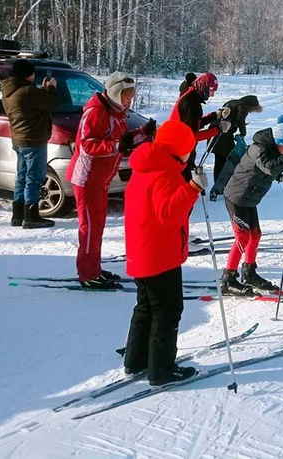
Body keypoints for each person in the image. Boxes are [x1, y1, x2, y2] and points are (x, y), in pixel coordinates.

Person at [123, 120, 203, 386]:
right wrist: (192, 189)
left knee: (146, 307)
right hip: (160, 256)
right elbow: (169, 214)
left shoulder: (147, 167)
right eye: (189, 149)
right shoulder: (164, 174)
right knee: (167, 311)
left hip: (142, 253)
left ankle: (136, 361)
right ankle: (161, 370)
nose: (190, 154)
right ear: (179, 149)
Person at [67, 72, 155, 289]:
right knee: (89, 228)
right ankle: (87, 274)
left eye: (132, 94)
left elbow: (122, 140)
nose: (130, 99)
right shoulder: (95, 111)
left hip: (101, 179)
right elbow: (87, 144)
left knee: (98, 227)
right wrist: (116, 146)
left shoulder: (116, 112)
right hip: (86, 179)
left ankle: (94, 268)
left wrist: (143, 133)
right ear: (116, 92)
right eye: (126, 94)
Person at [221, 115, 283, 294]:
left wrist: (280, 176)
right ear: (278, 141)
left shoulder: (272, 148)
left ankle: (249, 272)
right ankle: (228, 279)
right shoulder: (259, 148)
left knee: (255, 234)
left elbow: (265, 169)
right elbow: (268, 167)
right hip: (237, 197)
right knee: (242, 237)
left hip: (249, 198)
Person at [1, 59, 58, 229]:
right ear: (27, 74)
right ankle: (31, 216)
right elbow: (50, 103)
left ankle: (17, 214)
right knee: (34, 178)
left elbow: (32, 104)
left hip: (19, 139)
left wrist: (41, 90)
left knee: (21, 177)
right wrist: (51, 88)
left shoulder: (10, 90)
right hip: (33, 140)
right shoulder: (27, 91)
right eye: (32, 73)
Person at [170, 72, 222, 179]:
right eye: (211, 91)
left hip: (183, 149)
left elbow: (194, 124)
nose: (212, 95)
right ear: (203, 87)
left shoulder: (193, 98)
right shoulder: (190, 103)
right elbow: (192, 135)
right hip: (177, 151)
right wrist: (217, 130)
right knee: (182, 184)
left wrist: (214, 116)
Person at [211, 95, 262, 182]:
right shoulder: (242, 106)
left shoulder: (232, 102)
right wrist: (243, 133)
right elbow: (240, 120)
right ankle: (221, 184)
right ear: (250, 106)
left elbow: (232, 118)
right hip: (224, 136)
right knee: (227, 160)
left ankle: (219, 183)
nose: (250, 112)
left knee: (219, 160)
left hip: (215, 132)